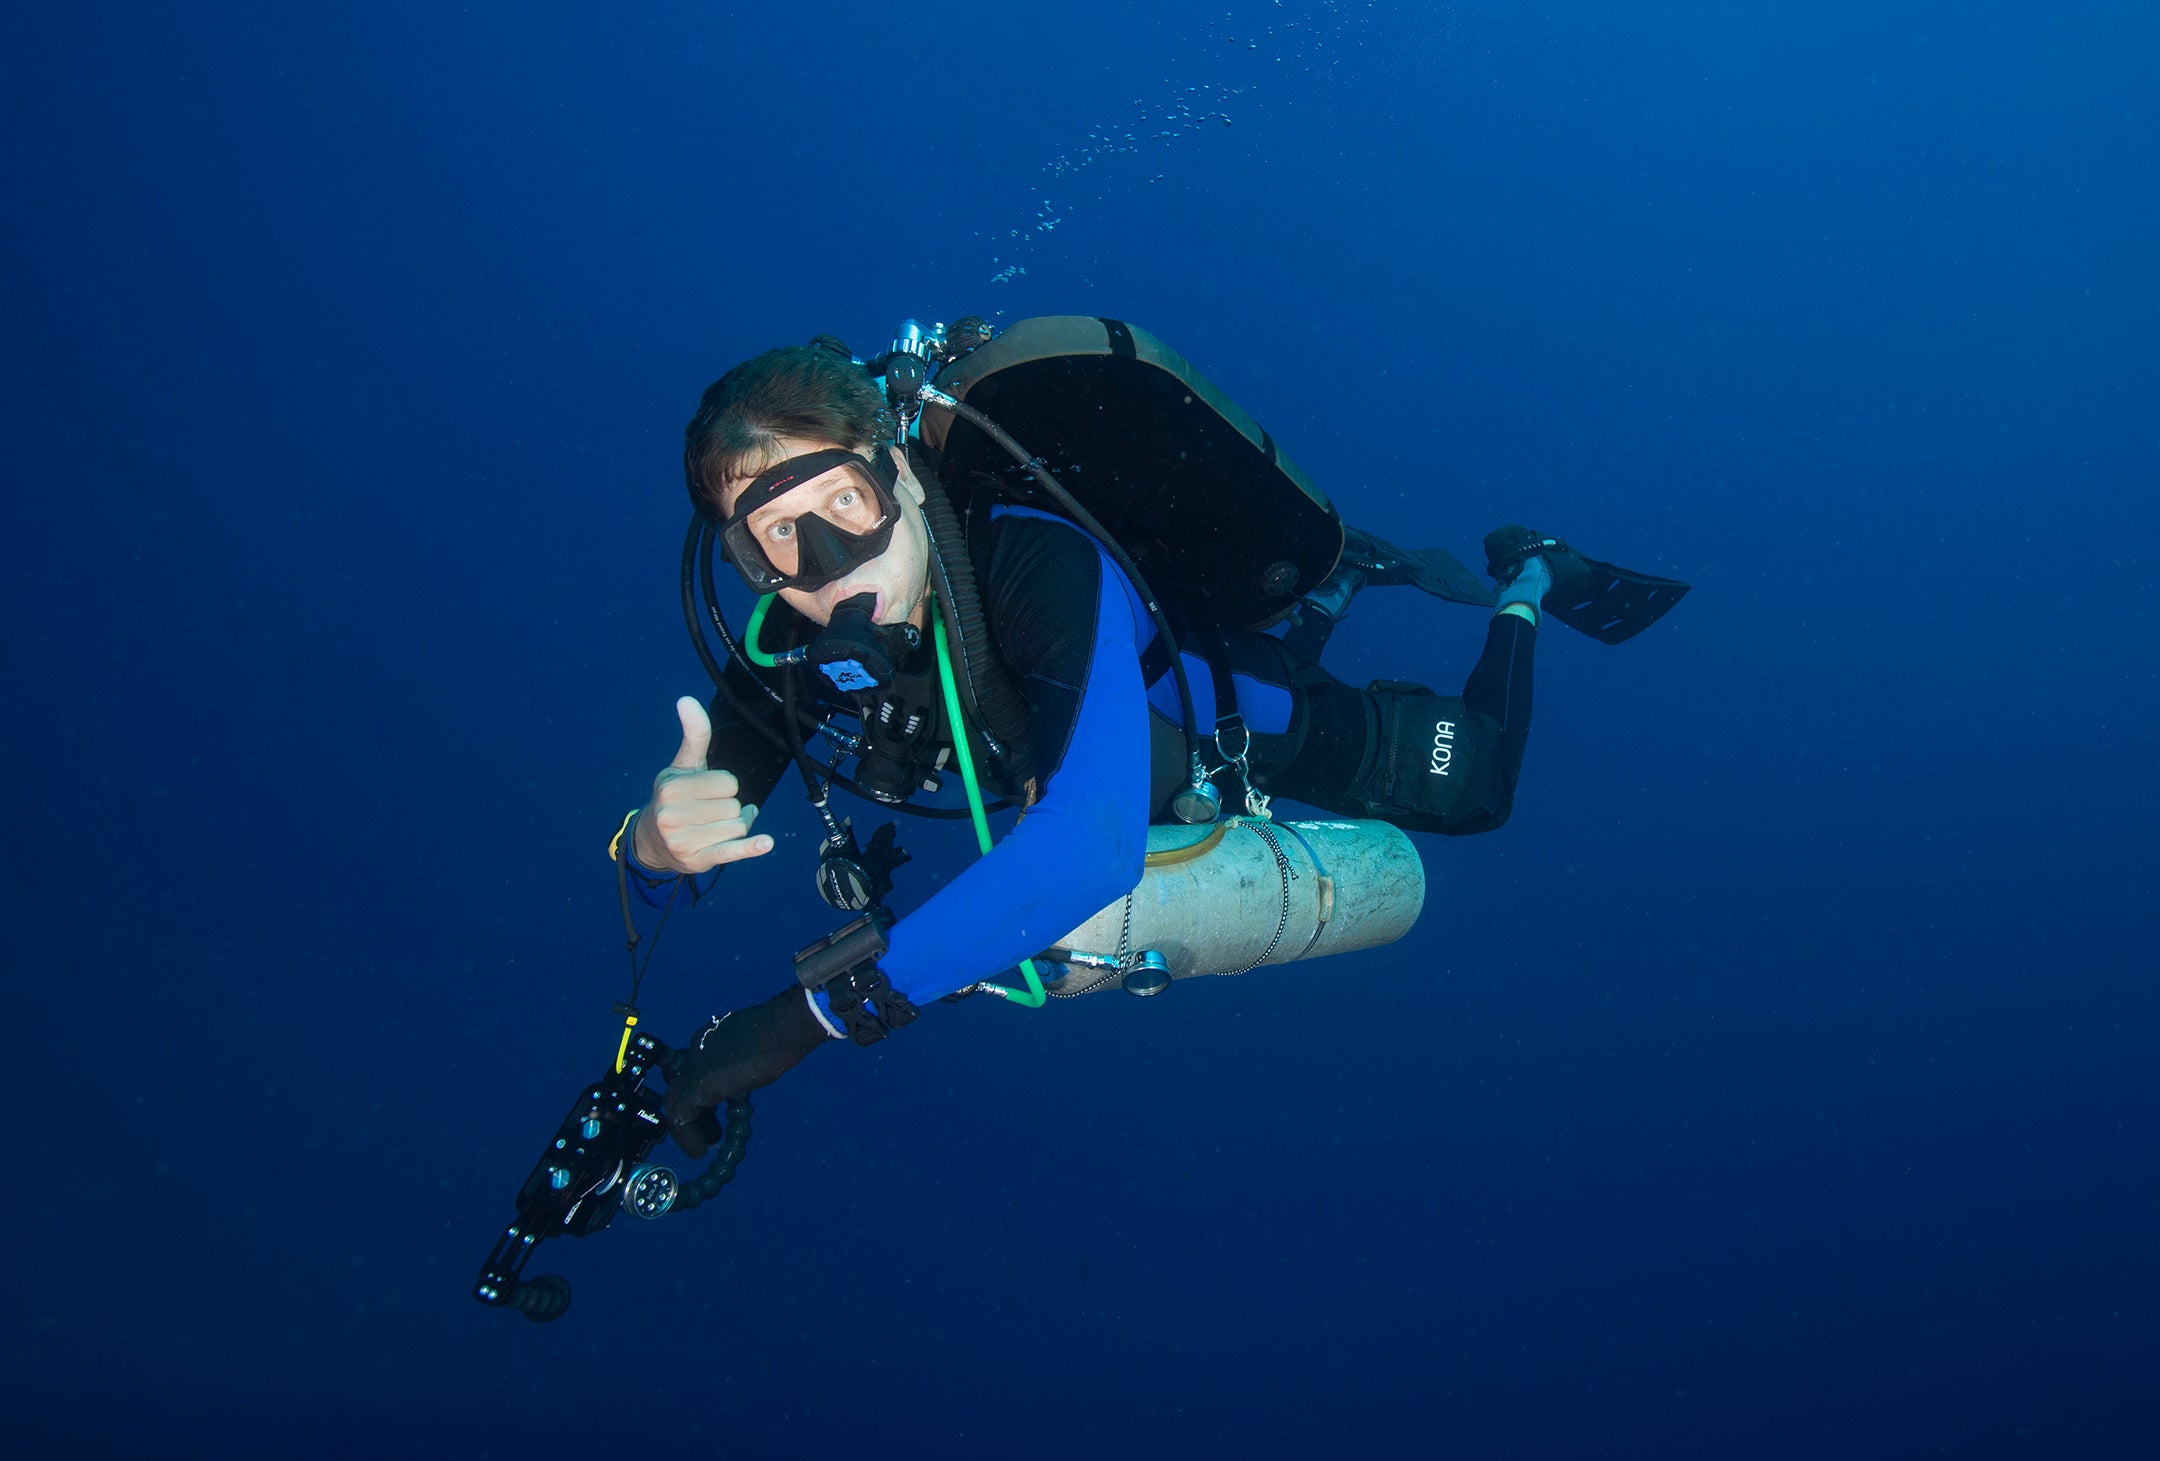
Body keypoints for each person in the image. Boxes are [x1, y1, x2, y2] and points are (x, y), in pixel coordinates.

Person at [618, 333, 1683, 1157]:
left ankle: (1529, 575)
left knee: (1479, 784)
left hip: (1253, 726)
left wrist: (803, 1020)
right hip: (1143, 745)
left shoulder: (1036, 566)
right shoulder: (783, 656)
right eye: (778, 538)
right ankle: (1350, 578)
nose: (830, 565)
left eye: (845, 502)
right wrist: (652, 850)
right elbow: (669, 869)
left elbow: (1087, 848)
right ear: (745, 561)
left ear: (896, 470)